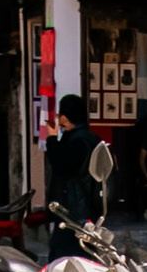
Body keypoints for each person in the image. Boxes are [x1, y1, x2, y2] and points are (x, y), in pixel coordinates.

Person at [43, 95, 106, 260]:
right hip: (88, 206)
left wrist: (51, 138)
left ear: (64, 117)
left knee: (66, 258)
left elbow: (61, 166)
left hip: (73, 209)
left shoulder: (78, 141)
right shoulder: (91, 138)